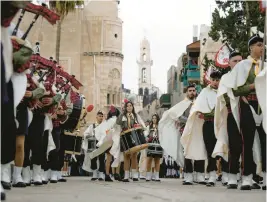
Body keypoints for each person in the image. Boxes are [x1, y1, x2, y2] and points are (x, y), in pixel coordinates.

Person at [214, 34, 265, 190]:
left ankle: (262, 176)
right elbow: (235, 90)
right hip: (247, 105)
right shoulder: (243, 66)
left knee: (264, 142)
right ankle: (246, 177)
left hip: (264, 106)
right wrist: (251, 87)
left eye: (263, 45)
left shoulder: (265, 66)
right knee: (244, 143)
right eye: (258, 44)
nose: (262, 47)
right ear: (251, 47)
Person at [181, 71, 222, 187]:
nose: (215, 82)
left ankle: (205, 174)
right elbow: (183, 115)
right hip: (195, 127)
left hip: (217, 124)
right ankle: (190, 175)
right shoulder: (201, 95)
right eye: (213, 79)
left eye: (217, 80)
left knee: (208, 149)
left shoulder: (221, 91)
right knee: (202, 150)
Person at [159, 84, 197, 185]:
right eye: (190, 90)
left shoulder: (198, 103)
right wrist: (185, 120)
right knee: (186, 153)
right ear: (187, 92)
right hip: (185, 131)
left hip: (197, 130)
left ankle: (198, 175)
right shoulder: (183, 104)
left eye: (193, 90)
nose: (192, 92)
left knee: (197, 152)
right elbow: (176, 115)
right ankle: (188, 176)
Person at [116, 101, 147, 182]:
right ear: (125, 107)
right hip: (125, 137)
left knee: (134, 156)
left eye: (130, 106)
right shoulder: (122, 115)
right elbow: (117, 123)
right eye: (127, 106)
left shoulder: (136, 116)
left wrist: (139, 126)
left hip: (134, 137)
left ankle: (134, 175)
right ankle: (126, 176)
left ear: (133, 107)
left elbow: (142, 125)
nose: (129, 107)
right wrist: (121, 114)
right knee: (126, 156)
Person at [83, 111, 105, 181]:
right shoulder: (92, 126)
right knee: (93, 158)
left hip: (101, 143)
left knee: (102, 158)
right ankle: (94, 173)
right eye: (99, 116)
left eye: (102, 116)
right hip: (92, 142)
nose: (101, 117)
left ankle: (101, 174)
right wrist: (90, 136)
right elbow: (85, 134)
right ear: (96, 117)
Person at [146, 114, 162, 182]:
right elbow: (146, 134)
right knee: (149, 160)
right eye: (153, 118)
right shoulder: (149, 126)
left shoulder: (160, 126)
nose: (154, 119)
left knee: (157, 160)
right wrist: (148, 138)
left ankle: (157, 176)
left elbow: (162, 134)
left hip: (158, 144)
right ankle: (148, 175)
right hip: (151, 144)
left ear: (157, 119)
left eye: (155, 118)